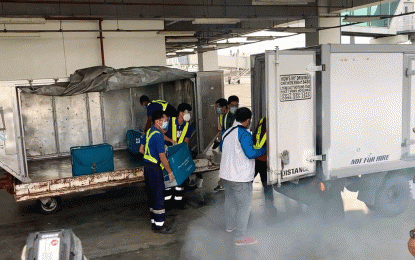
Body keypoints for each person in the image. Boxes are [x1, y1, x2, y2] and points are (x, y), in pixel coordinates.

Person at [219, 107, 266, 246]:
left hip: (227, 175)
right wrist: (265, 149)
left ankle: (229, 227)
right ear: (248, 120)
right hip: (240, 177)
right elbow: (251, 154)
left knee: (230, 202)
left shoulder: (226, 132)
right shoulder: (244, 134)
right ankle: (240, 237)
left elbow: (222, 149)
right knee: (244, 206)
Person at [140, 110, 175, 234]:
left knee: (152, 195)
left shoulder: (149, 132)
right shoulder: (158, 135)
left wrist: (150, 156)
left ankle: (155, 223)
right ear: (157, 121)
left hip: (147, 167)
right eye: (164, 120)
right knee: (159, 196)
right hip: (155, 169)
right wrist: (169, 171)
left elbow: (141, 150)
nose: (166, 122)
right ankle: (160, 226)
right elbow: (162, 157)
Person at [164, 103, 194, 209]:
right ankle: (167, 203)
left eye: (189, 113)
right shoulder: (169, 122)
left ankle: (178, 202)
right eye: (187, 112)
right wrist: (170, 141)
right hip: (167, 154)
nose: (188, 114)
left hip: (179, 155)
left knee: (180, 179)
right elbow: (160, 134)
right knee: (168, 179)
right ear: (180, 113)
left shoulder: (188, 126)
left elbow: (186, 142)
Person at [213, 97, 237, 192]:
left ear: (224, 107)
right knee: (225, 164)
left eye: (218, 107)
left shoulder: (232, 117)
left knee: (228, 165)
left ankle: (225, 184)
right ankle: (223, 183)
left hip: (231, 144)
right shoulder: (221, 116)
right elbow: (221, 130)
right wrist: (219, 140)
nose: (217, 109)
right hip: (224, 143)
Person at [253, 117, 273, 205]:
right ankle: (270, 207)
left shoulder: (261, 120)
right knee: (266, 184)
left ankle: (243, 208)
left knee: (247, 182)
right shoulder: (272, 122)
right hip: (263, 158)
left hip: (256, 157)